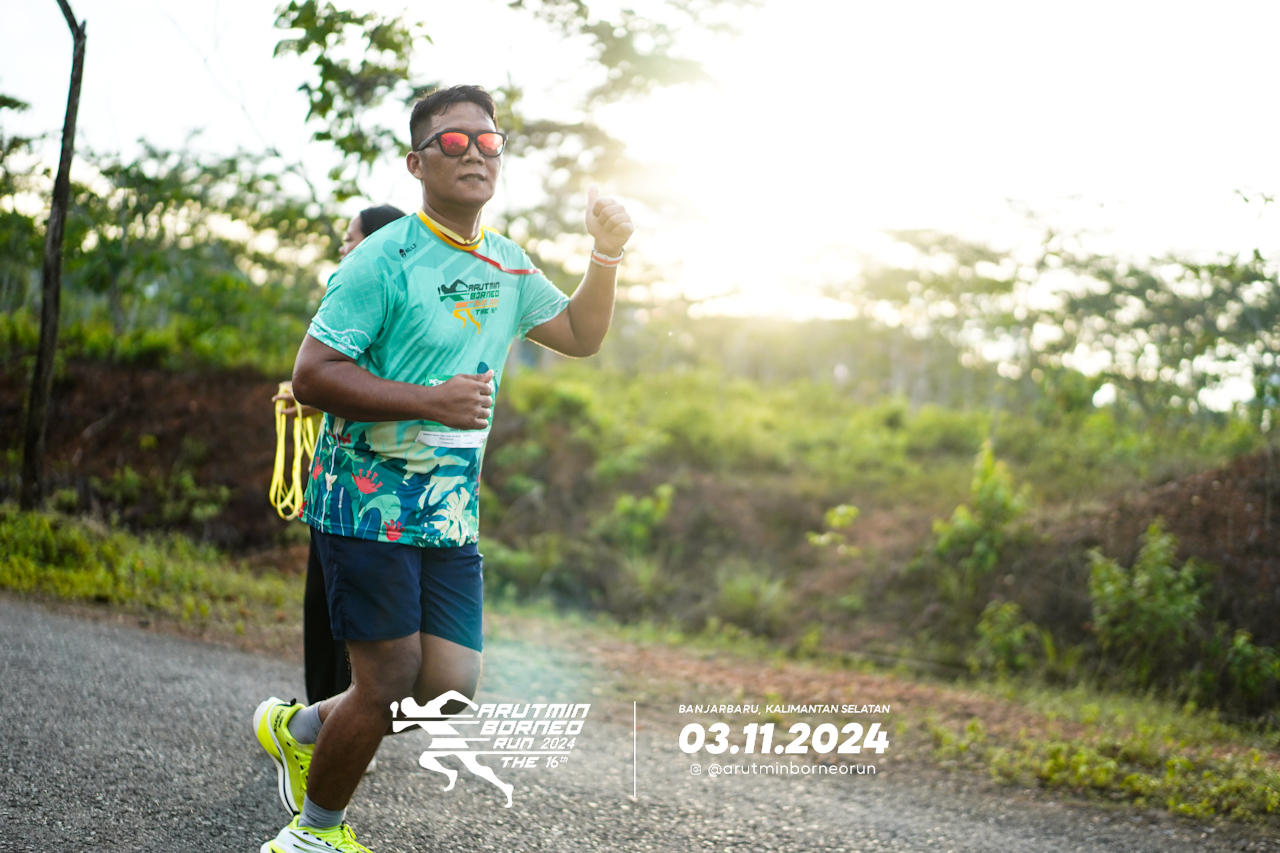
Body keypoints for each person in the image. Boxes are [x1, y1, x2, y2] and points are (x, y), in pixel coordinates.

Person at [254, 84, 633, 853]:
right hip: (366, 501)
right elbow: (313, 375)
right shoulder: (381, 258)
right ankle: (312, 834)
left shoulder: (508, 263)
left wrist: (605, 255)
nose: (475, 154)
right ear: (416, 163)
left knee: (449, 689)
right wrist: (429, 401)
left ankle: (302, 727)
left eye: (488, 142)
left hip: (450, 512)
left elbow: (580, 333)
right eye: (454, 142)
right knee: (390, 675)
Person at [273, 204, 408, 714]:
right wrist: (309, 400)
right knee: (330, 608)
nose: (342, 248)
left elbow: (375, 388)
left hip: (362, 490)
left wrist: (314, 392)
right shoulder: (378, 297)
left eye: (350, 239)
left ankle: (330, 722)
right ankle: (326, 719)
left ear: (373, 244)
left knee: (341, 615)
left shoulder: (379, 301)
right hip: (343, 486)